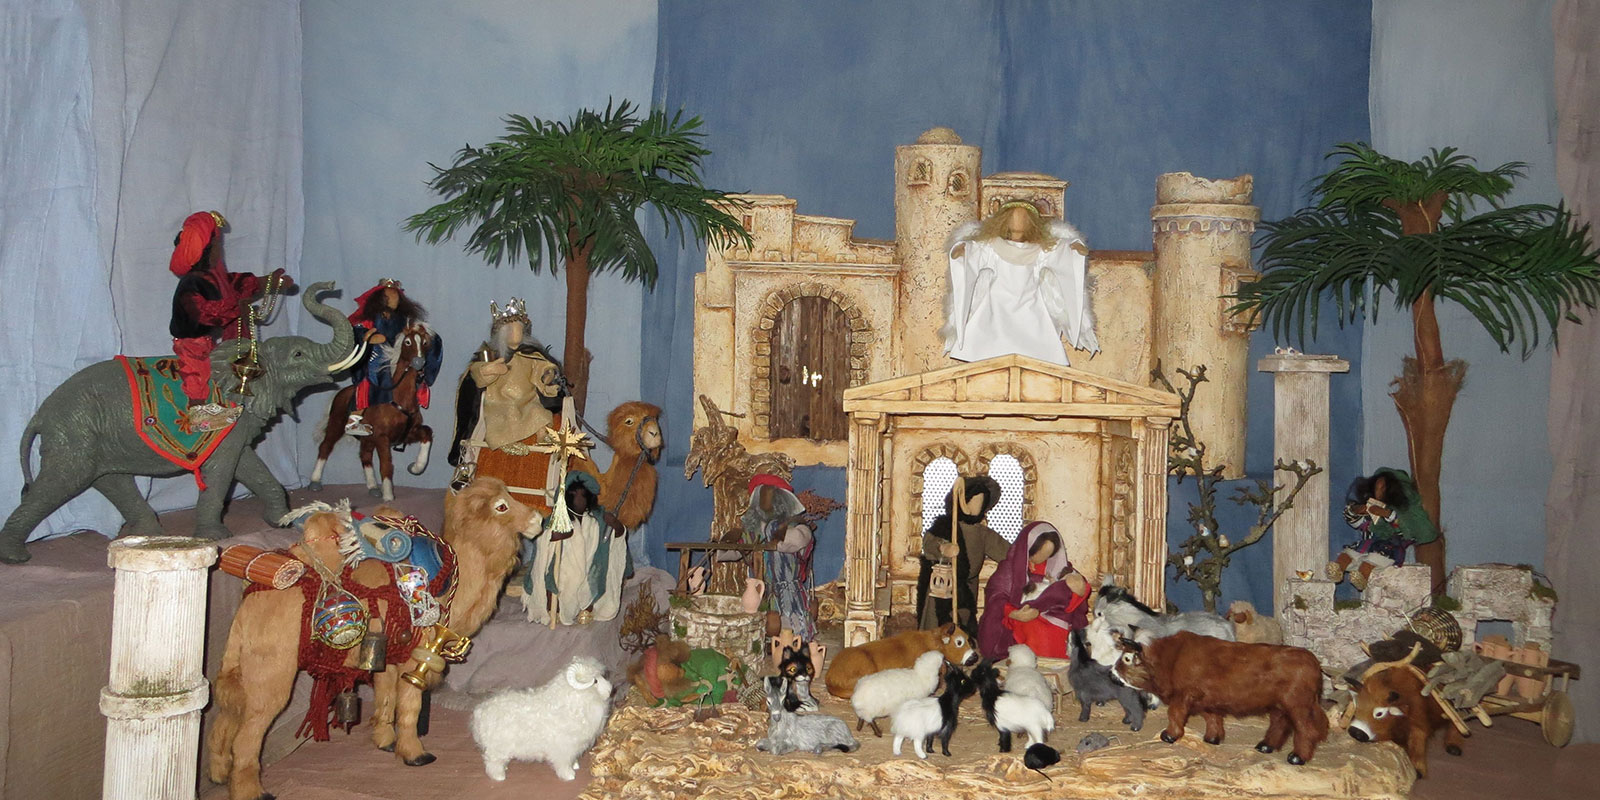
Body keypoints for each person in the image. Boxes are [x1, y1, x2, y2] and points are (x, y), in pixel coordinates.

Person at [167, 210, 291, 428]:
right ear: (207, 250)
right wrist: (237, 307)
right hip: (191, 343)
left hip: (205, 342)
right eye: (217, 245)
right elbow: (205, 313)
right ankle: (197, 415)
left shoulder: (213, 279)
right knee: (197, 372)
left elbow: (238, 284)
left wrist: (270, 282)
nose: (220, 250)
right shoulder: (191, 284)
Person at [943, 200, 1098, 365]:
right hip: (997, 304)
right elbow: (975, 251)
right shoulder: (993, 247)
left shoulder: (1040, 250)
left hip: (1029, 302)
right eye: (1014, 217)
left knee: (1035, 336)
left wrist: (1073, 247)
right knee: (991, 334)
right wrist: (963, 249)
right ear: (1004, 220)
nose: (1019, 222)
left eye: (1024, 218)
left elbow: (1060, 250)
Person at [447, 298, 567, 506]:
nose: (515, 334)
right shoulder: (489, 354)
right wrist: (489, 370)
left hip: (528, 401)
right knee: (504, 416)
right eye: (510, 330)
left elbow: (543, 368)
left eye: (519, 329)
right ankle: (507, 443)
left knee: (539, 414)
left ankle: (543, 435)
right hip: (499, 402)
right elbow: (475, 373)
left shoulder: (531, 356)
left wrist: (548, 375)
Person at [521, 470, 626, 626]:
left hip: (589, 569)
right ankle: (555, 610)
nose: (579, 499)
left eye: (582, 495)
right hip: (563, 572)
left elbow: (615, 537)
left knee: (592, 586)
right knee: (555, 587)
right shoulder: (556, 519)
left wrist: (615, 524)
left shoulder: (596, 521)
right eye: (574, 494)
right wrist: (555, 536)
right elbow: (543, 538)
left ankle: (586, 609)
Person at [977, 521, 1090, 662]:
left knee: (1053, 631)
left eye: (1049, 554)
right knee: (1038, 631)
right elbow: (996, 597)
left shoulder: (1058, 566)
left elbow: (1074, 585)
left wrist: (1079, 587)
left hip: (1054, 618)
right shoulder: (1009, 569)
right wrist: (1013, 613)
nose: (1042, 560)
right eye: (1039, 553)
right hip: (1023, 617)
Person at [914, 475, 1010, 639]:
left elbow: (1006, 551)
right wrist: (943, 547)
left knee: (962, 622)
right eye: (973, 501)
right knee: (935, 625)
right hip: (942, 584)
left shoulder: (983, 533)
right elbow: (930, 543)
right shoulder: (945, 526)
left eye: (980, 503)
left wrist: (1024, 556)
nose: (976, 507)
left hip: (967, 588)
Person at [343, 279, 442, 436]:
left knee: (412, 374)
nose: (393, 300)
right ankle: (354, 419)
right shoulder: (369, 318)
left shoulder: (402, 319)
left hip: (395, 353)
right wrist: (368, 337)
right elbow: (357, 332)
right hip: (375, 354)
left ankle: (411, 408)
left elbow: (408, 333)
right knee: (374, 377)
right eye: (388, 297)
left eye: (396, 297)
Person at [1329, 468, 1442, 592]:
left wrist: (1387, 514)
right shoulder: (1371, 505)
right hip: (1368, 543)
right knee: (1349, 553)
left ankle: (1362, 576)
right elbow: (1359, 524)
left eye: (1382, 488)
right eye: (1376, 488)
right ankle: (1338, 569)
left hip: (1389, 547)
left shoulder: (1405, 512)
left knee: (1374, 559)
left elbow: (1409, 530)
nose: (1378, 492)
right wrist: (1355, 511)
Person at [742, 474, 818, 640]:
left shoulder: (797, 527)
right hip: (760, 591)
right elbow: (736, 549)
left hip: (790, 593)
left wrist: (768, 529)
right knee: (760, 634)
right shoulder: (752, 529)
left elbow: (790, 541)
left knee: (792, 636)